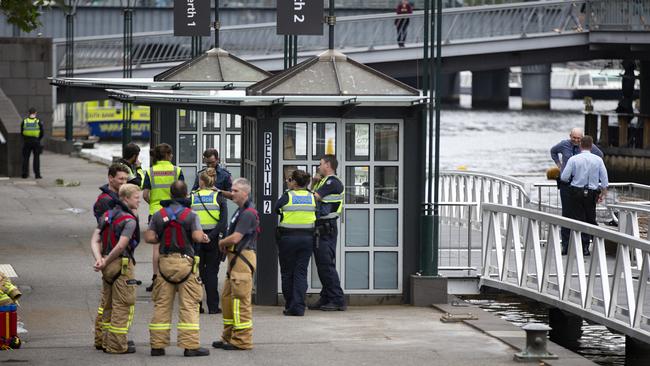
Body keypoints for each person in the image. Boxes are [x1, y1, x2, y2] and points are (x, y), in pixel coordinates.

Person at [144, 181, 210, 357]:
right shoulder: (191, 215)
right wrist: (202, 237)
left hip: (164, 264)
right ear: (186, 194)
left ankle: (157, 346)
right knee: (189, 304)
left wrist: (161, 236)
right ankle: (190, 346)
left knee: (162, 304)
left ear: (170, 194)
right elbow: (196, 236)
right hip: (185, 264)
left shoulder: (159, 214)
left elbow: (149, 237)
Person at [90, 183, 141, 354]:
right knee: (122, 305)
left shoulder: (106, 216)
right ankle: (117, 345)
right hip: (122, 265)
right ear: (126, 198)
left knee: (108, 305)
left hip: (107, 266)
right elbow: (121, 246)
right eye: (136, 197)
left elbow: (95, 240)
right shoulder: (129, 220)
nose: (139, 200)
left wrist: (100, 260)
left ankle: (105, 341)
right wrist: (106, 260)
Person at [212, 178, 258, 351]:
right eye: (232, 190)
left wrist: (221, 243)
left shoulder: (248, 213)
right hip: (235, 258)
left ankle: (242, 340)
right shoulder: (241, 210)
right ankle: (229, 336)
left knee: (240, 300)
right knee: (227, 298)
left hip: (242, 259)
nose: (232, 193)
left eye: (236, 191)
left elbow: (237, 237)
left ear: (245, 193)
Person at [551, 128, 603, 255]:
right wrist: (559, 164)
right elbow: (553, 151)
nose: (576, 140)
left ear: (582, 138)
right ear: (570, 136)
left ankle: (585, 246)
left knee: (584, 216)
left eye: (578, 138)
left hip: (581, 186)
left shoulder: (588, 147)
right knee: (567, 214)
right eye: (574, 137)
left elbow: (600, 156)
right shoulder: (564, 144)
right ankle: (566, 245)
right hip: (566, 184)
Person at [143, 143, 184, 292]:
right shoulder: (177, 170)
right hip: (175, 212)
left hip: (155, 212)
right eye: (171, 154)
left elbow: (145, 194)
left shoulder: (150, 172)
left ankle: (156, 278)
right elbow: (182, 192)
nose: (172, 156)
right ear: (167, 155)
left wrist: (153, 204)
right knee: (177, 243)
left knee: (156, 247)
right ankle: (175, 277)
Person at [275, 169, 316, 316]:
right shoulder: (312, 196)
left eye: (289, 179)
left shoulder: (287, 196)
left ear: (294, 182)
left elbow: (276, 209)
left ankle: (291, 304)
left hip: (288, 238)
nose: (287, 181)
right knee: (301, 272)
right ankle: (299, 306)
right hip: (307, 239)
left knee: (287, 273)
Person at [308, 155, 346, 311]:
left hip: (327, 228)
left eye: (320, 164)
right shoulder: (323, 182)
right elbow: (313, 194)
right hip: (321, 228)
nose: (318, 167)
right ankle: (326, 296)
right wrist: (314, 182)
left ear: (328, 165)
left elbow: (312, 198)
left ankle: (337, 299)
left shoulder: (332, 182)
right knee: (322, 265)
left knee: (326, 265)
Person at [560, 136, 608, 256]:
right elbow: (604, 180)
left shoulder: (573, 159)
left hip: (576, 192)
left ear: (580, 145)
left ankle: (580, 245)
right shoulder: (598, 160)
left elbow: (564, 177)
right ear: (591, 146)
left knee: (578, 218)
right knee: (590, 218)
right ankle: (589, 246)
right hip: (592, 192)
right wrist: (603, 193)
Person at [190, 168, 228, 314]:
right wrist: (211, 236)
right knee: (212, 273)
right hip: (213, 239)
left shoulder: (192, 196)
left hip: (196, 239)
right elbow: (223, 222)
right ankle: (213, 307)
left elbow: (188, 219)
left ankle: (198, 306)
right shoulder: (218, 197)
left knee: (197, 273)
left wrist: (200, 235)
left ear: (201, 181)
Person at [21, 107, 44, 179]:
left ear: (29, 113)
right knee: (36, 158)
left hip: (27, 141)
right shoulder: (38, 121)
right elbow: (42, 133)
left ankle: (24, 174)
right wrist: (38, 139)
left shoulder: (24, 121)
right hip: (36, 141)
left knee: (26, 158)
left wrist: (25, 138)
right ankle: (37, 175)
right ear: (35, 113)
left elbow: (22, 132)